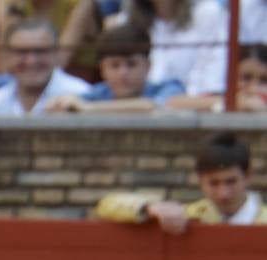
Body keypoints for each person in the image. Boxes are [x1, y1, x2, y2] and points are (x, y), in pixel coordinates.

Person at [96, 132, 267, 232]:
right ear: (200, 181)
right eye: (213, 184)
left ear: (248, 176)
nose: (223, 194)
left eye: (231, 182)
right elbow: (105, 206)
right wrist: (150, 208)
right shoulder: (191, 215)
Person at [45, 22, 185, 111]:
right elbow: (59, 107)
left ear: (148, 66)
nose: (123, 73)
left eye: (131, 64)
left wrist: (89, 109)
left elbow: (152, 106)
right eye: (114, 65)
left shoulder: (169, 88)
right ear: (102, 69)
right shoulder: (97, 94)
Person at [0, 19, 90, 114]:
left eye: (40, 51)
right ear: (8, 56)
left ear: (56, 53)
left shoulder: (82, 95)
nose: (31, 61)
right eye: (22, 52)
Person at [165, 43, 267, 111]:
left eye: (264, 80)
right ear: (231, 77)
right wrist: (236, 103)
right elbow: (173, 103)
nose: (254, 87)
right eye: (246, 78)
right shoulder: (223, 97)